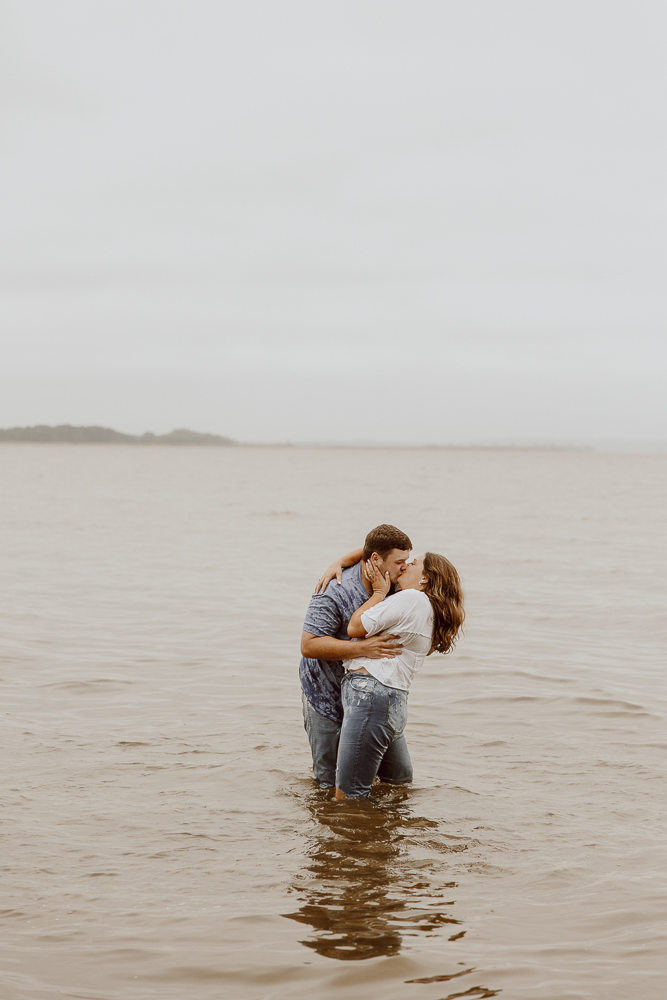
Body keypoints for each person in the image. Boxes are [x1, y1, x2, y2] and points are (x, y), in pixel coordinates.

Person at [334, 552, 465, 801]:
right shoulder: (430, 611)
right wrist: (339, 563)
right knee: (398, 786)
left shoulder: (413, 598)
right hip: (392, 702)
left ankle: (352, 839)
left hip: (371, 697)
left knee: (348, 796)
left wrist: (378, 594)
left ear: (425, 578)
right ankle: (391, 836)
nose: (405, 566)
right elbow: (376, 551)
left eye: (413, 563)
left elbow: (355, 627)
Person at [300, 524, 413, 789]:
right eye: (399, 562)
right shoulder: (335, 590)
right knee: (327, 783)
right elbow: (308, 644)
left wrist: (342, 558)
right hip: (325, 696)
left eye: (406, 561)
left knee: (400, 777)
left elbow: (365, 551)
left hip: (369, 700)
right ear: (375, 559)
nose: (404, 568)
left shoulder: (395, 585)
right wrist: (363, 648)